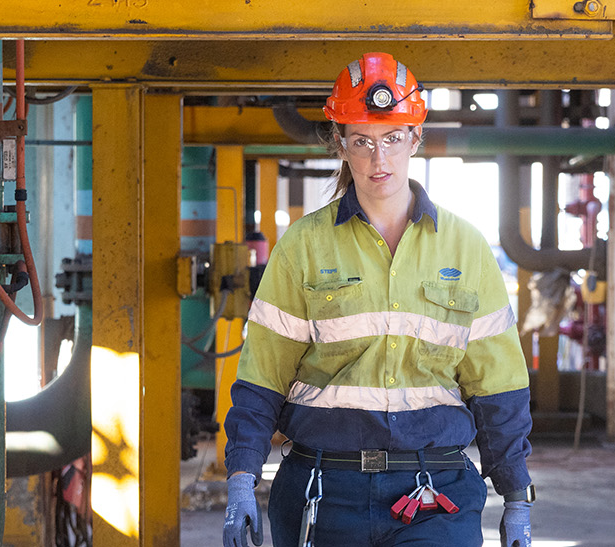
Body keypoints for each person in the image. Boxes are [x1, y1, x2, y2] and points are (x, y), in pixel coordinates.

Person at [221, 52, 535, 547]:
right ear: (340, 145)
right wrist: (242, 479)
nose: (378, 159)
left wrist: (516, 496)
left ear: (415, 138)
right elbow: (263, 376)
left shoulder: (466, 247)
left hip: (435, 493)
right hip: (323, 492)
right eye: (362, 141)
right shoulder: (303, 247)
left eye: (392, 139)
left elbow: (497, 385)